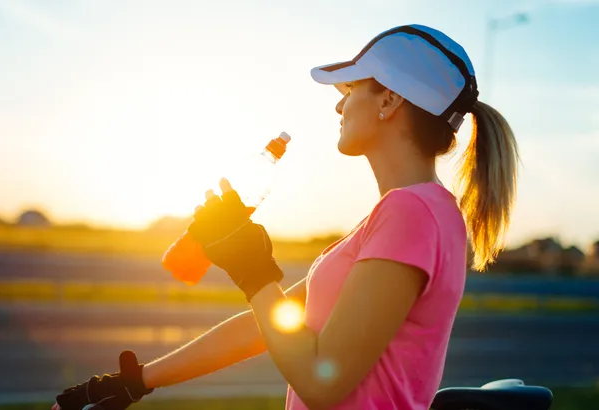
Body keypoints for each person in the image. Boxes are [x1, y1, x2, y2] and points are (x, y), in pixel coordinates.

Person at [53, 23, 519, 410]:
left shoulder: (410, 213)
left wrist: (255, 271)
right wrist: (137, 380)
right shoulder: (413, 212)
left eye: (352, 87)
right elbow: (274, 322)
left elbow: (322, 383)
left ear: (388, 101)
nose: (339, 104)